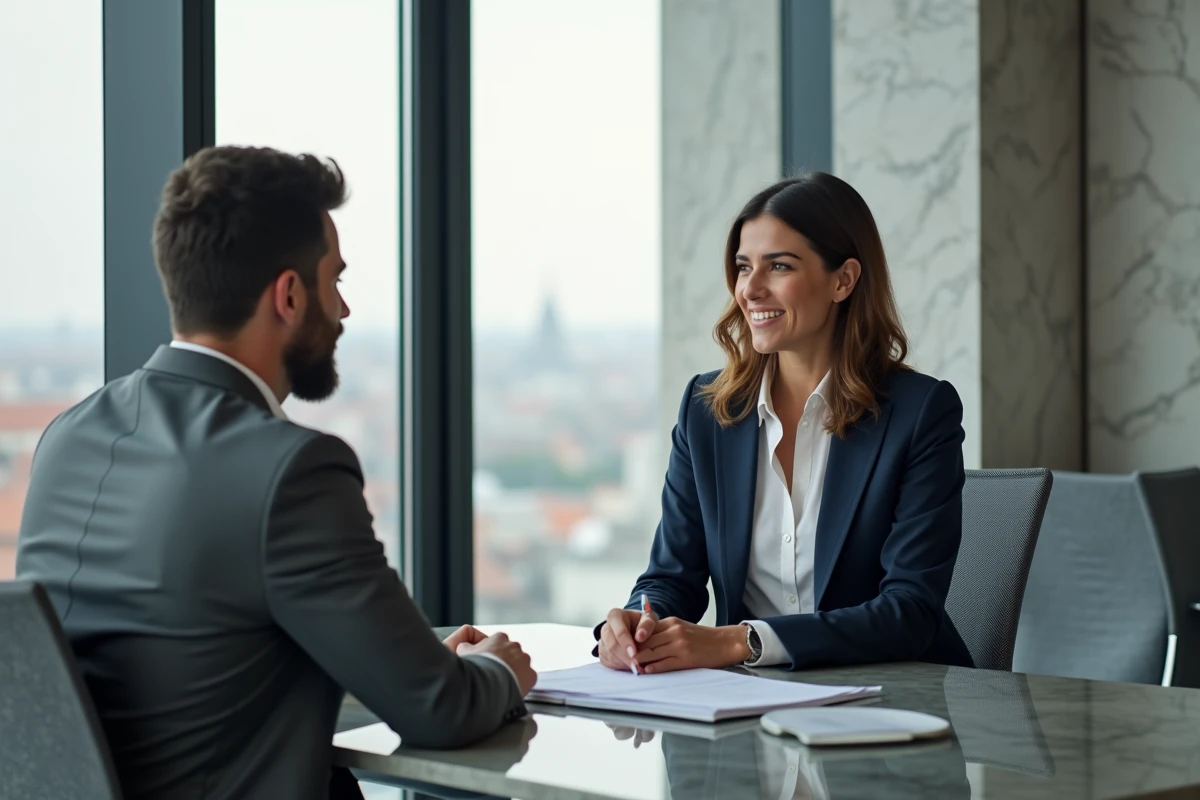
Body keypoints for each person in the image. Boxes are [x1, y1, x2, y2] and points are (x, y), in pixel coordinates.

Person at [16, 145, 536, 800]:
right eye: (335, 281)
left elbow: (192, 646)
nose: (343, 310)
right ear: (289, 295)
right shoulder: (290, 471)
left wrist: (414, 655)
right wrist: (496, 671)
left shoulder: (69, 437)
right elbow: (438, 708)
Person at [597, 172, 973, 674]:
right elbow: (671, 579)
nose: (749, 289)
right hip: (753, 710)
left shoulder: (921, 412)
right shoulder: (707, 411)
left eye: (779, 266)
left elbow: (909, 612)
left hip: (893, 707)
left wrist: (743, 642)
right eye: (743, 266)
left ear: (843, 280)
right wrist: (637, 624)